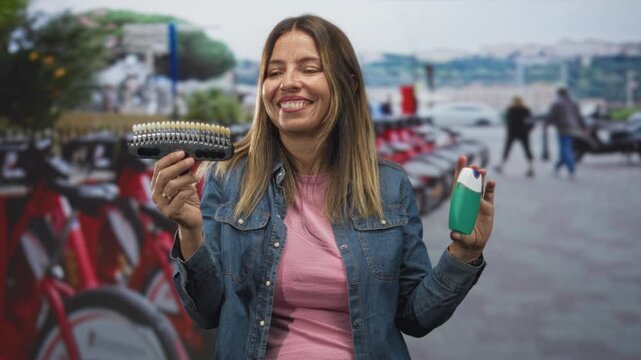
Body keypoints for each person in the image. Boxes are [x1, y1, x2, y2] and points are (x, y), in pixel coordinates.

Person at [150, 15, 496, 359]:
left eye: (309, 68)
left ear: (348, 83)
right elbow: (207, 312)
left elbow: (415, 317)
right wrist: (190, 231)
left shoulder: (389, 186)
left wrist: (463, 255)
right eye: (274, 72)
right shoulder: (229, 178)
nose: (288, 82)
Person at [545, 87, 587, 179]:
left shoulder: (557, 104)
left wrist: (546, 124)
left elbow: (551, 116)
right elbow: (580, 116)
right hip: (574, 129)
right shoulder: (573, 103)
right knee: (565, 149)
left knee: (565, 149)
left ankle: (572, 170)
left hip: (563, 129)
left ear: (559, 94)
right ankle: (557, 167)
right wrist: (584, 127)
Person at [495, 96, 535, 177]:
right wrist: (528, 130)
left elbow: (507, 121)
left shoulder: (511, 110)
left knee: (507, 149)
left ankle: (501, 166)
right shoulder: (526, 110)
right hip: (524, 133)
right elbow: (531, 121)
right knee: (527, 149)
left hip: (512, 133)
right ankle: (530, 168)